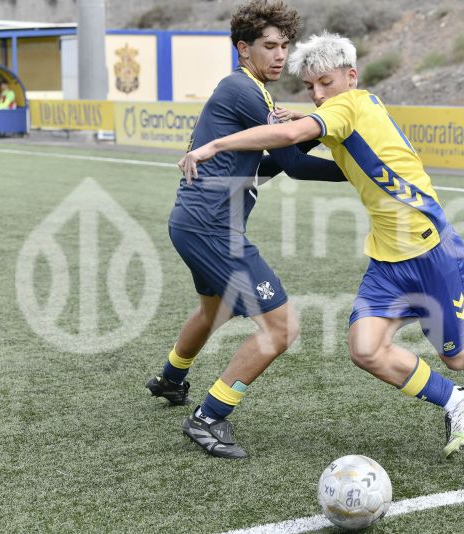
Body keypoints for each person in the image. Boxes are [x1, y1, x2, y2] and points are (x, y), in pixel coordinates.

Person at [179, 32, 464, 459]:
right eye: (310, 87)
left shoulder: (348, 106)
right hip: (387, 259)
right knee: (364, 349)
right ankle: (456, 400)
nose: (319, 94)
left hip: (431, 253)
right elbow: (311, 137)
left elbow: (293, 140)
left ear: (351, 76)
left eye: (325, 82)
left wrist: (216, 144)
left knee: (458, 354)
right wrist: (297, 118)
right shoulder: (356, 106)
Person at [146, 0, 345, 459]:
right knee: (281, 328)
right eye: (269, 46)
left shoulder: (251, 91)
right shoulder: (245, 91)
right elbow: (293, 164)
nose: (279, 55)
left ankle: (171, 380)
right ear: (243, 49)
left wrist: (318, 129)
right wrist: (357, 169)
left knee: (213, 311)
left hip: (193, 224)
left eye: (284, 46)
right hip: (214, 229)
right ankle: (208, 417)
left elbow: (267, 163)